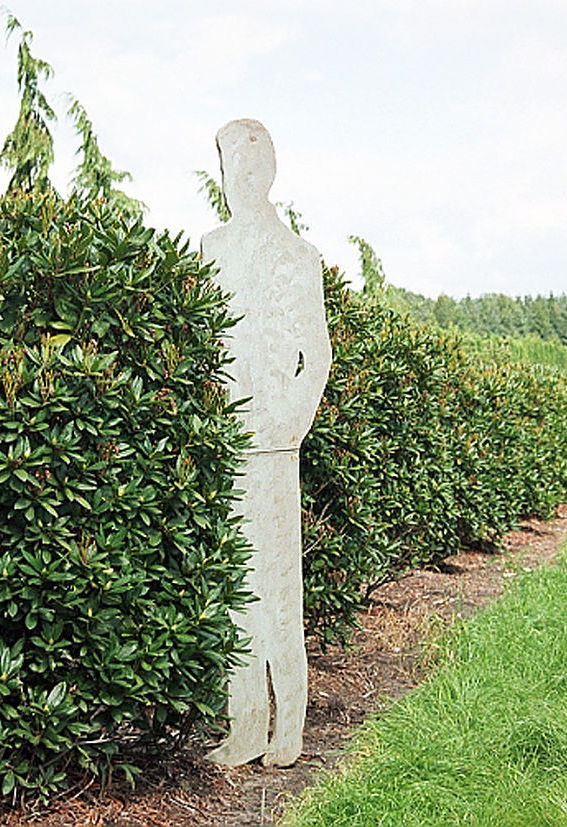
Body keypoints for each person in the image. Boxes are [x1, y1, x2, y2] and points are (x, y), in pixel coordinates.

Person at [201, 119, 331, 767]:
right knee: (235, 588)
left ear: (270, 172)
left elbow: (318, 353)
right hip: (226, 440)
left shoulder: (295, 255)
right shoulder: (211, 249)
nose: (242, 179)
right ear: (222, 176)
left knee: (279, 585)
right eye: (232, 167)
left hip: (274, 447)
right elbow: (203, 345)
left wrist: (288, 420)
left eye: (253, 166)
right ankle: (246, 723)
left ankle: (290, 727)